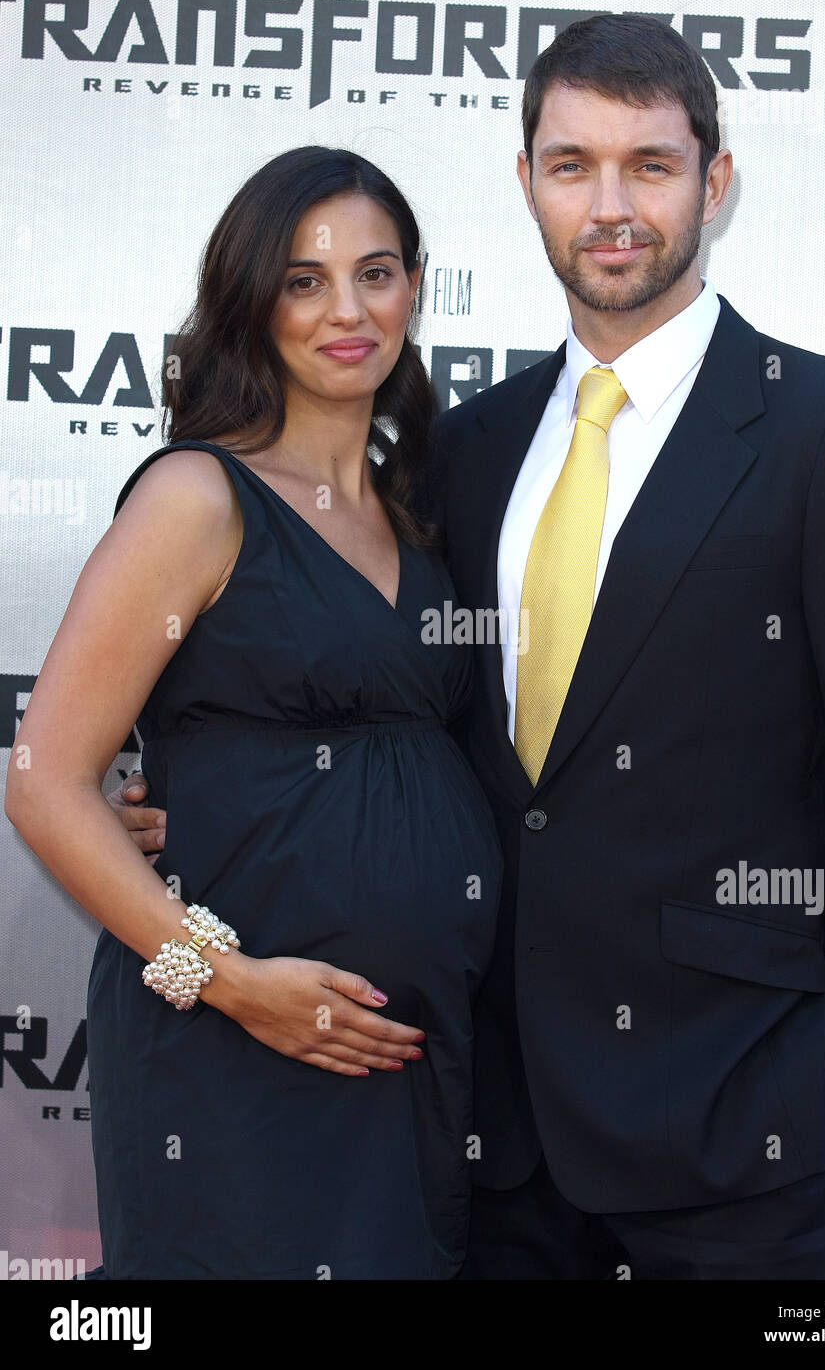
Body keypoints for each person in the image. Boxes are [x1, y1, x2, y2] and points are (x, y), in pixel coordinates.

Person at [112, 16, 825, 1279]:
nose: (609, 206)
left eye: (648, 165)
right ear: (524, 184)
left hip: (741, 1133)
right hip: (480, 1129)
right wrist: (211, 807)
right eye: (571, 165)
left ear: (714, 183)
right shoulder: (465, 450)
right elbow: (410, 726)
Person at [5, 146, 502, 1280]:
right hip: (234, 1054)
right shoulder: (196, 497)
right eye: (303, 279)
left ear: (415, 288)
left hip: (408, 1052)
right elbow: (41, 778)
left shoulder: (420, 512)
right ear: (252, 299)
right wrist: (227, 983)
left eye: (375, 273)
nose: (347, 309)